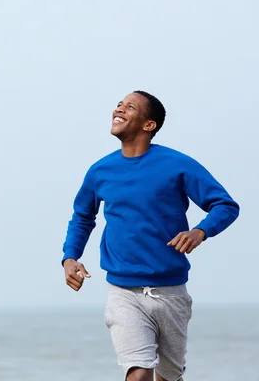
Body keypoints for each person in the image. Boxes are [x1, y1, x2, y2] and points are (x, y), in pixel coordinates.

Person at [61, 91, 240, 381]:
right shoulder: (100, 171)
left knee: (168, 377)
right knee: (139, 374)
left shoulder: (177, 164)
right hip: (123, 292)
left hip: (171, 292)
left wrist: (200, 231)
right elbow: (83, 216)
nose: (119, 108)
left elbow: (225, 205)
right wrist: (70, 257)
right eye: (119, 104)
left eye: (130, 106)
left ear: (149, 125)